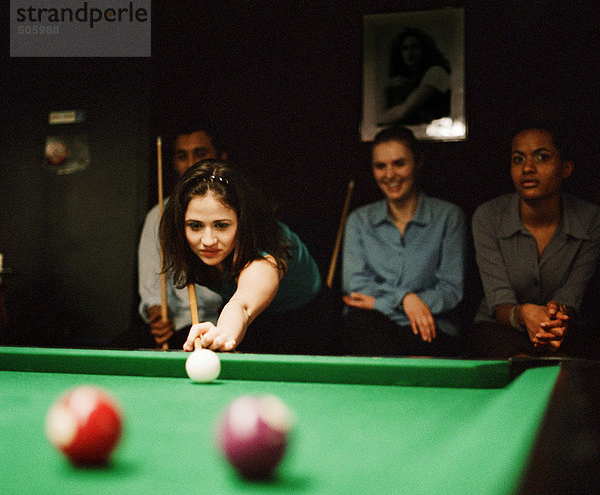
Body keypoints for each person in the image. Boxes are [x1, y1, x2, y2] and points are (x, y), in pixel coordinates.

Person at [159, 160, 323, 354]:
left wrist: (224, 334)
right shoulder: (185, 243)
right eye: (195, 225)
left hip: (305, 319)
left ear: (242, 222)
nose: (208, 240)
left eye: (221, 225)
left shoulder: (264, 255)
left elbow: (242, 305)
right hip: (248, 322)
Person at [468, 123, 600, 359]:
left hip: (562, 329)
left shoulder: (591, 219)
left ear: (566, 168)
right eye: (518, 159)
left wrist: (549, 321)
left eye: (542, 157)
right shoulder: (487, 216)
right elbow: (499, 300)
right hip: (500, 331)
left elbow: (571, 297)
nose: (528, 168)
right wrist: (524, 314)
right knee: (506, 352)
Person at [341, 126, 466, 356]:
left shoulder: (448, 216)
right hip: (372, 327)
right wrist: (406, 300)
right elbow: (356, 288)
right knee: (360, 322)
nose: (389, 175)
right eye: (380, 166)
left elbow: (451, 290)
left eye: (399, 164)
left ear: (418, 163)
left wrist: (383, 302)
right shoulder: (358, 220)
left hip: (430, 326)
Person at [113, 120, 225, 349]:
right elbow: (153, 285)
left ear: (220, 156)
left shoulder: (236, 208)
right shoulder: (160, 216)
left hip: (232, 325)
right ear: (174, 162)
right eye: (182, 156)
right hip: (182, 329)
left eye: (200, 153)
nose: (191, 164)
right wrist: (158, 315)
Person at [377, 27, 451, 127]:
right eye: (405, 48)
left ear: (425, 49)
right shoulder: (409, 78)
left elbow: (403, 112)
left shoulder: (436, 72)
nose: (409, 53)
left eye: (415, 47)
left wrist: (374, 122)